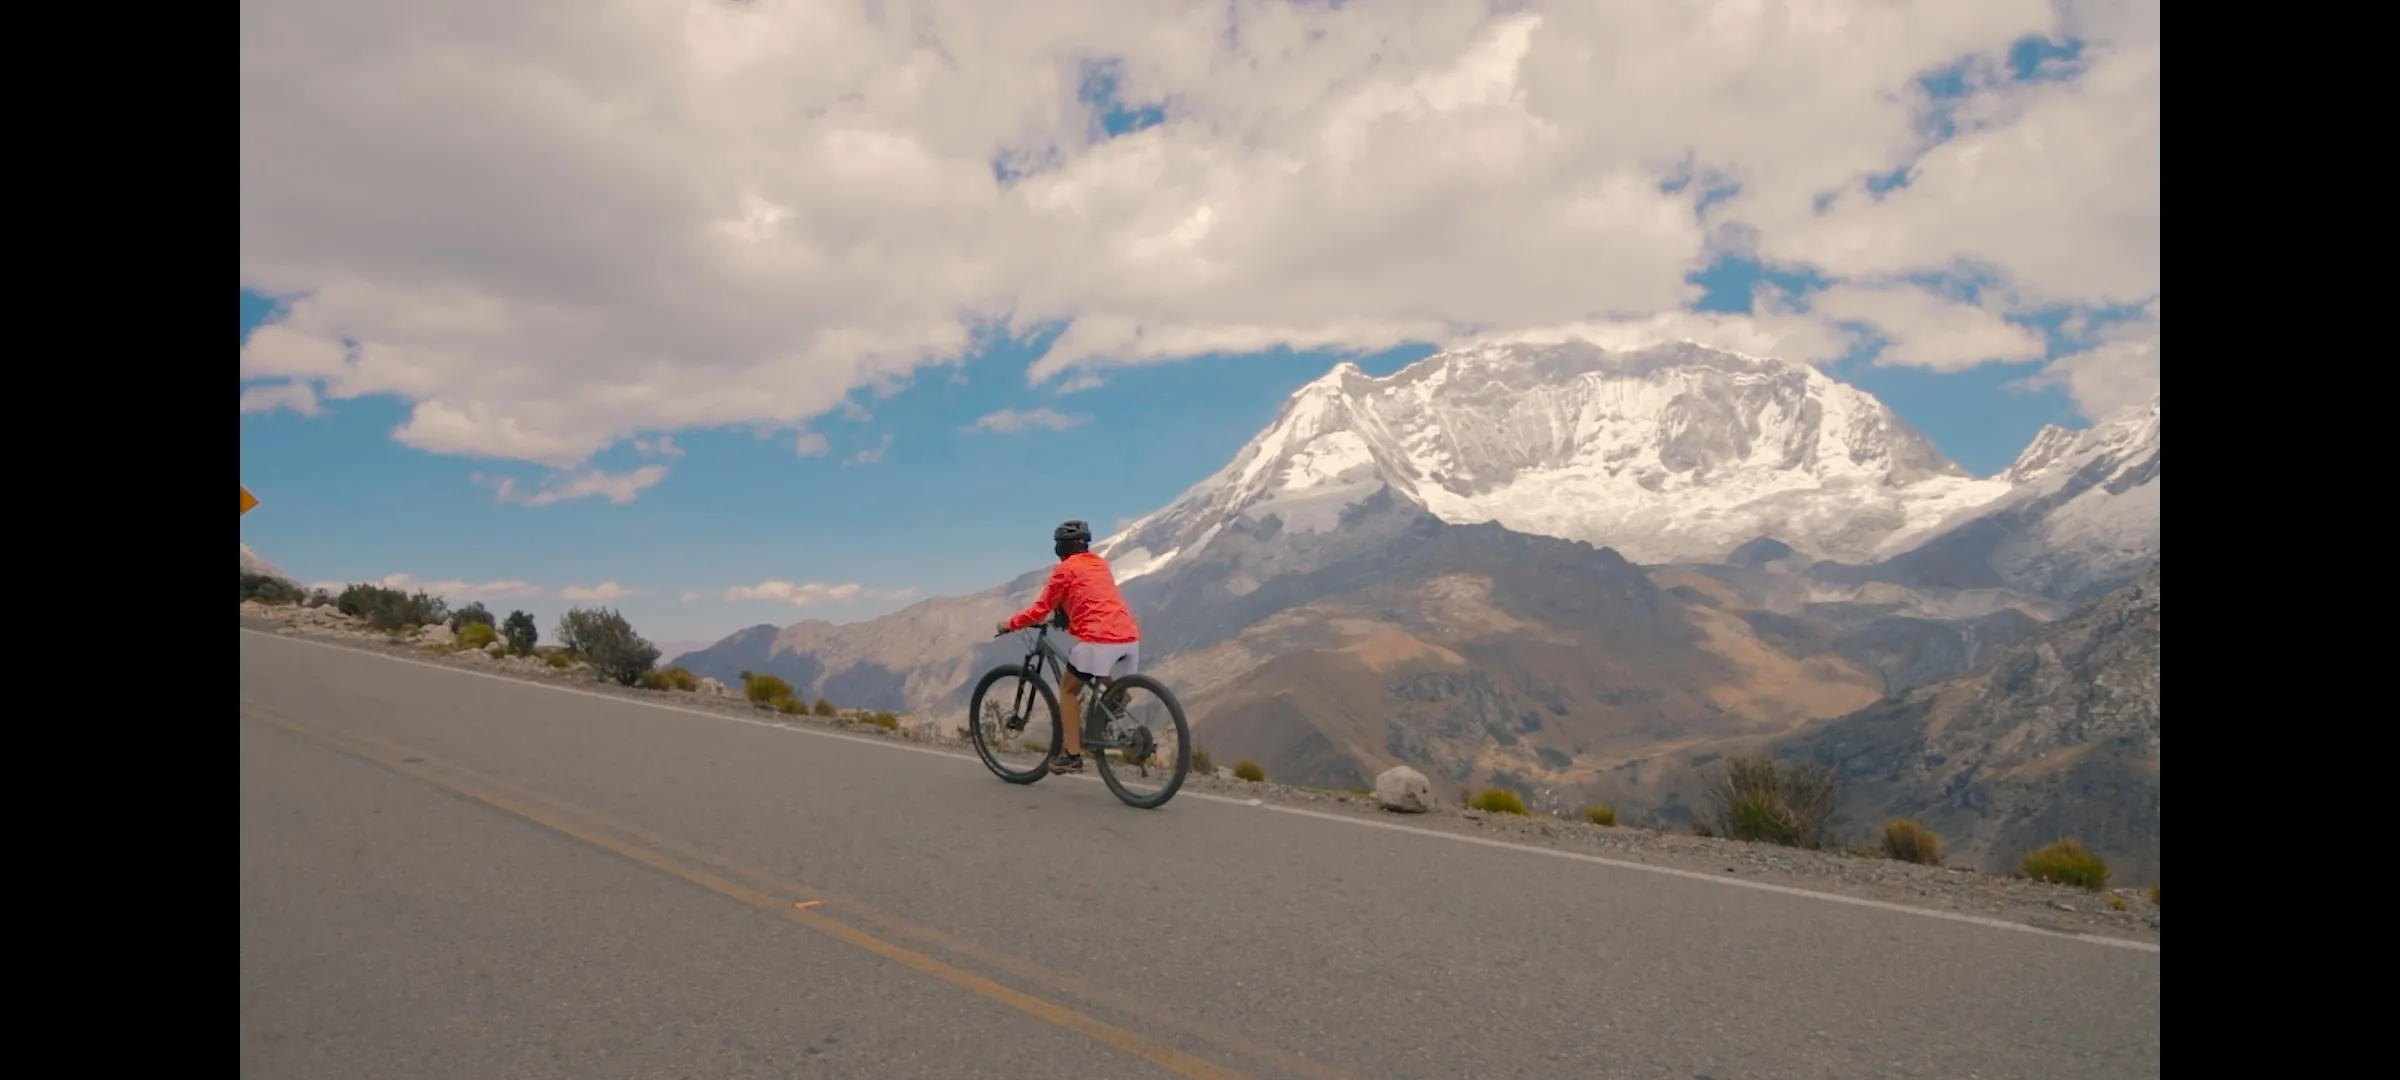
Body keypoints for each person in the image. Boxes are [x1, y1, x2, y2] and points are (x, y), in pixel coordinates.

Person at [996, 519, 1142, 774]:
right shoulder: (1101, 564)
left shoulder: (1064, 570)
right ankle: (1117, 693)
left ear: (1061, 548)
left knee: (1068, 690)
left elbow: (1040, 610)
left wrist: (1010, 623)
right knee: (1092, 662)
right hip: (1129, 637)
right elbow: (1091, 598)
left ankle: (1072, 755)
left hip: (1099, 640)